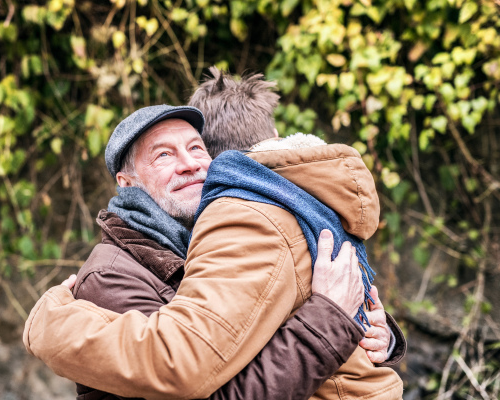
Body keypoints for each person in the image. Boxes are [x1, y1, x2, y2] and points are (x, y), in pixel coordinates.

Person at [24, 71, 405, 400]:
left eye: (195, 147)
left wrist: (372, 331)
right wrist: (330, 319)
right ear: (127, 182)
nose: (190, 163)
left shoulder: (228, 231)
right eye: (164, 156)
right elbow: (209, 384)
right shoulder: (111, 277)